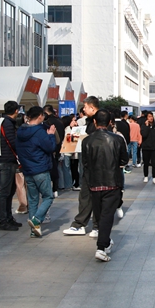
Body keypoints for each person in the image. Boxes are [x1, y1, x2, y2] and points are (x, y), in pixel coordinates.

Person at [82, 110, 129, 262]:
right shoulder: (117, 140)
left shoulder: (86, 141)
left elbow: (85, 163)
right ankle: (101, 247)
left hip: (94, 183)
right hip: (112, 182)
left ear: (94, 122)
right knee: (107, 216)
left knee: (100, 214)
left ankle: (105, 243)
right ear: (110, 122)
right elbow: (124, 160)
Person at [64, 96, 102, 236]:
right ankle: (80, 224)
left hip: (98, 164)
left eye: (85, 107)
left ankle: (97, 226)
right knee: (85, 194)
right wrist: (73, 131)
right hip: (87, 163)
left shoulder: (100, 121)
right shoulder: (89, 122)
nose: (83, 110)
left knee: (97, 195)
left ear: (92, 107)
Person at [17, 106, 57, 238]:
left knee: (33, 200)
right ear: (40, 116)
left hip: (27, 170)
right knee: (48, 196)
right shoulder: (39, 132)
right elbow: (50, 147)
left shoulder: (20, 131)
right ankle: (36, 220)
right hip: (40, 168)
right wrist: (51, 135)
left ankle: (34, 230)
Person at [0, 101, 22, 231]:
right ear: (16, 111)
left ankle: (8, 218)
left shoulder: (0, 121)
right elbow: (12, 141)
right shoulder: (7, 123)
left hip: (4, 159)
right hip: (6, 160)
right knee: (5, 192)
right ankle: (3, 220)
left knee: (9, 191)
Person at [43, 105, 65, 198]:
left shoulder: (47, 124)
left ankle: (48, 189)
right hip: (58, 148)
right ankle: (55, 188)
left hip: (48, 149)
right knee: (55, 169)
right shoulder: (59, 122)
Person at [140, 111, 155, 183]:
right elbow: (144, 135)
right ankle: (146, 176)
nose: (151, 118)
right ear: (146, 118)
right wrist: (147, 126)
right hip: (146, 148)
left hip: (154, 148)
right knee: (146, 163)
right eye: (149, 116)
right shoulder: (143, 126)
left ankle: (154, 177)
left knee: (154, 163)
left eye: (151, 116)